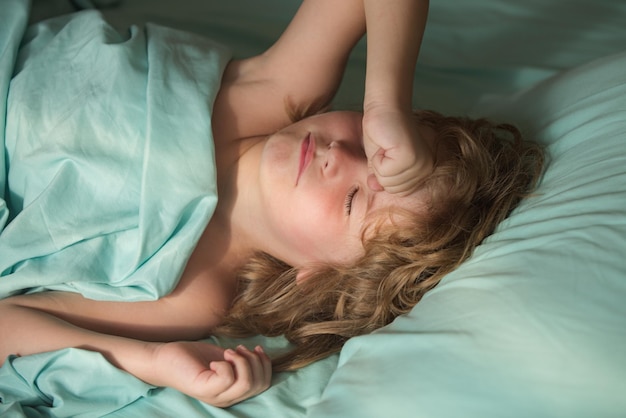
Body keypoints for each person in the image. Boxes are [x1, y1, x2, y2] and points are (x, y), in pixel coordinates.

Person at [0, 0, 544, 408]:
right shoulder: (279, 89)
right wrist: (386, 100)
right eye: (374, 145)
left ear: (317, 276)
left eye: (354, 200)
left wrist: (156, 362)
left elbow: (9, 323)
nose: (339, 156)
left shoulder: (197, 289)